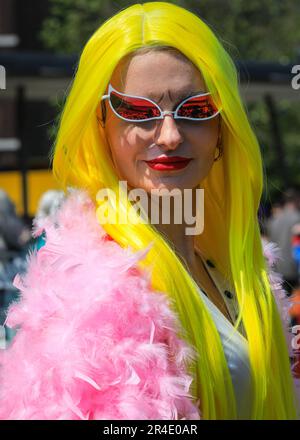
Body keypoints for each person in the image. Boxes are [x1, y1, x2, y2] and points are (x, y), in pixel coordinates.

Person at [0, 2, 298, 420]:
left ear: (222, 132)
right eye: (138, 111)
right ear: (101, 126)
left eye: (195, 110)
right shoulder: (95, 293)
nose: (171, 135)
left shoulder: (237, 272)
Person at [267, 189, 300, 295]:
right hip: (294, 267)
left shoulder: (273, 220)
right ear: (296, 200)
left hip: (276, 268)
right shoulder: (297, 218)